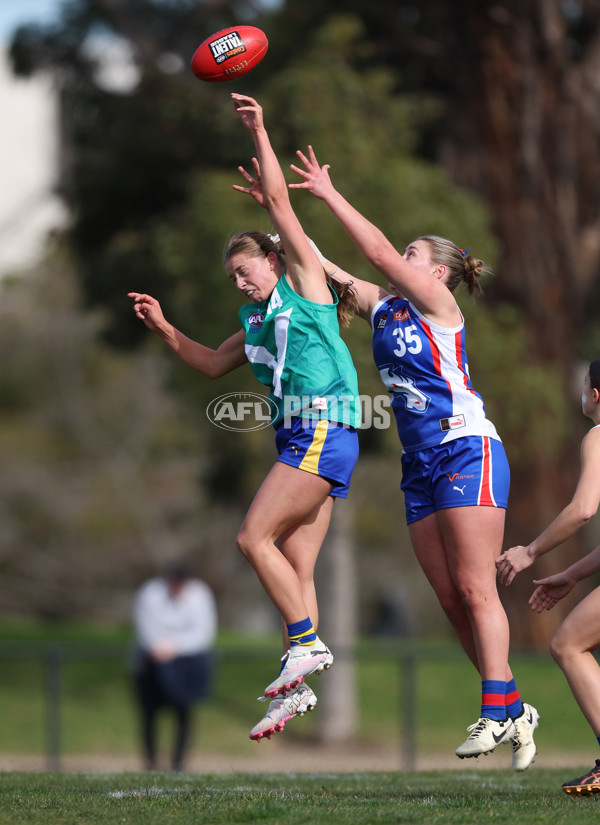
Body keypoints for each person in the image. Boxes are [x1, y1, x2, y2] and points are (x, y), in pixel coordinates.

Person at [258, 143, 539, 770]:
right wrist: (277, 215)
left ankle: (496, 712)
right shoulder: (384, 308)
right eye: (403, 254)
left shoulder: (441, 308)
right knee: (448, 597)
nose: (397, 262)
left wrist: (329, 193)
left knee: (474, 586)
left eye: (413, 256)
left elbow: (377, 253)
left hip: (466, 447)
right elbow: (317, 263)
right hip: (420, 465)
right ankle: (515, 705)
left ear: (436, 272)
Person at [129, 94, 361, 743]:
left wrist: (260, 129)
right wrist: (164, 326)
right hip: (297, 434)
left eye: (245, 269)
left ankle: (305, 648)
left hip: (325, 425)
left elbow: (284, 209)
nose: (239, 282)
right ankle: (298, 686)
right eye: (232, 275)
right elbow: (207, 365)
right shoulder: (254, 320)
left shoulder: (304, 289)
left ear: (274, 261)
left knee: (250, 538)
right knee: (295, 563)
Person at [496, 358, 600, 794]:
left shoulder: (598, 435)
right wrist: (573, 574)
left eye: (584, 385)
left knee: (568, 644)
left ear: (596, 395)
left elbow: (582, 510)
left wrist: (530, 551)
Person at [132, 561, 217, 771]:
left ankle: (178, 763)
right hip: (152, 660)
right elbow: (144, 627)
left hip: (187, 662)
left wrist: (174, 647)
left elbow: (203, 633)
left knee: (184, 713)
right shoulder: (150, 593)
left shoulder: (200, 595)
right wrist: (157, 647)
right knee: (149, 714)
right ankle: (150, 762)